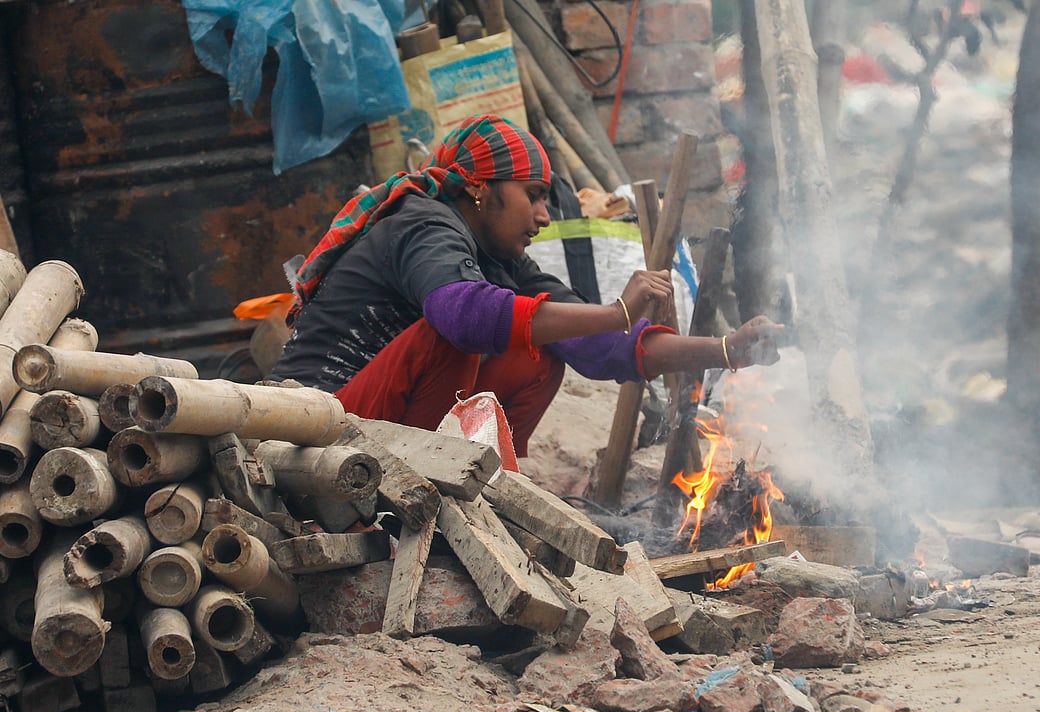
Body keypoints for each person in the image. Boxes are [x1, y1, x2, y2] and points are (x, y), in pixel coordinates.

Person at [271, 114, 782, 456]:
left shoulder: (500, 258)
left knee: (539, 353)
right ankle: (429, 492)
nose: (542, 216)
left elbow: (600, 348)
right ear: (478, 187)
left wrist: (726, 350)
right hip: (314, 425)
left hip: (369, 424)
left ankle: (476, 495)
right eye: (533, 195)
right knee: (454, 334)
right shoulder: (422, 223)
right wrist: (616, 311)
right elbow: (462, 317)